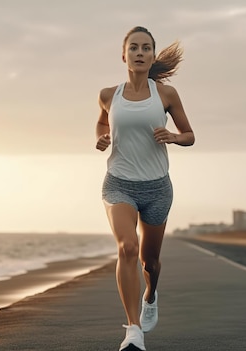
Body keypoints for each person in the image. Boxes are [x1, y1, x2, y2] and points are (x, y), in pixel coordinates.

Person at [95, 26, 195, 351]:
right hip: (119, 184)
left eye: (146, 48)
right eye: (134, 48)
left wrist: (174, 137)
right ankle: (133, 329)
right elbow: (101, 121)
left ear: (152, 56)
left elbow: (189, 134)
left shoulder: (165, 94)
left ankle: (150, 294)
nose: (140, 53)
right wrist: (101, 137)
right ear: (124, 55)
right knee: (127, 248)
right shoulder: (109, 95)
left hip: (156, 188)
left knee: (149, 261)